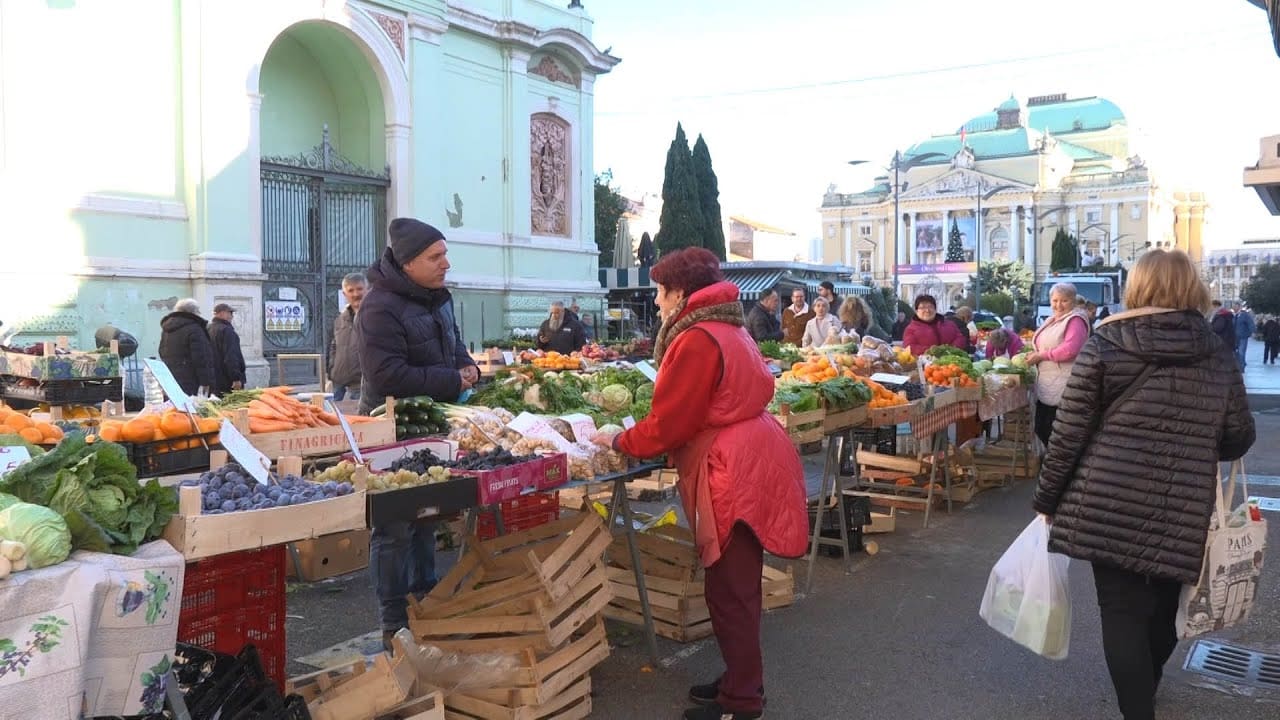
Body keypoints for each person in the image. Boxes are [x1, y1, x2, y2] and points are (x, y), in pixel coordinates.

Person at [1034, 250, 1254, 720]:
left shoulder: (1105, 341)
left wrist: (1046, 501)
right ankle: (1146, 683)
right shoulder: (1215, 349)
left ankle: (1138, 704)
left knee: (1121, 610)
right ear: (1191, 288)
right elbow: (1238, 437)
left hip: (1107, 499)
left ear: (1137, 286)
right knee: (1166, 608)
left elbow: (1069, 432)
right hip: (1183, 502)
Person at [591, 247, 807, 720]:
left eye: (660, 291)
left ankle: (743, 701)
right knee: (734, 585)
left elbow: (672, 424)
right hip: (751, 457)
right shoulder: (728, 327)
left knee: (731, 591)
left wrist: (620, 438)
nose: (657, 300)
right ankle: (738, 680)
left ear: (680, 292)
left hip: (730, 469)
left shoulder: (696, 339)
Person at [356, 218, 479, 650]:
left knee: (427, 516)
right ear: (408, 263)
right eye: (436, 257)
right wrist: (452, 379)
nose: (446, 263)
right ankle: (393, 620)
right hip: (388, 429)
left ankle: (426, 600)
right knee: (393, 528)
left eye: (444, 254)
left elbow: (456, 349)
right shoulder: (379, 307)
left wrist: (470, 369)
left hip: (431, 427)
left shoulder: (438, 300)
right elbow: (386, 375)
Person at [1026, 283, 1091, 450]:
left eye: (1064, 300)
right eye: (1055, 300)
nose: (1058, 305)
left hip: (1064, 384)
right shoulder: (1052, 320)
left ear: (1073, 301)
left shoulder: (1075, 320)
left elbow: (1071, 349)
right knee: (1043, 428)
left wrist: (1042, 355)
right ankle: (1056, 464)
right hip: (1047, 383)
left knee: (1058, 433)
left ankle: (1061, 467)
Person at [158, 298, 215, 396]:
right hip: (191, 379)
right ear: (193, 312)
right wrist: (206, 381)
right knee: (192, 408)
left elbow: (161, 351)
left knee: (175, 409)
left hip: (171, 377)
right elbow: (201, 357)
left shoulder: (167, 328)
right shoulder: (195, 328)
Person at [329, 273, 367, 402]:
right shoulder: (340, 319)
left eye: (359, 289)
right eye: (351, 290)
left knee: (359, 420)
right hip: (338, 382)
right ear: (345, 295)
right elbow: (333, 346)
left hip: (361, 384)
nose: (356, 294)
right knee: (333, 418)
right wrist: (330, 371)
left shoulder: (375, 316)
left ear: (367, 290)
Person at [900, 294, 967, 357]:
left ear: (935, 309)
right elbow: (909, 347)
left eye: (930, 306)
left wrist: (950, 350)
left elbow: (960, 338)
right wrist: (933, 351)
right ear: (917, 311)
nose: (927, 310)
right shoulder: (911, 329)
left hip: (951, 364)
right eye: (922, 307)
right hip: (926, 366)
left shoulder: (950, 324)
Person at [207, 303, 246, 396]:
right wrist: (236, 378)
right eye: (230, 313)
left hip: (212, 380)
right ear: (221, 313)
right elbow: (231, 357)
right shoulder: (227, 331)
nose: (232, 316)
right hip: (227, 381)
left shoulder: (208, 328)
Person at [1233, 301, 1256, 368]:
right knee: (1236, 352)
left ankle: (1241, 367)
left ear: (1239, 307)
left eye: (1235, 306)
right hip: (1235, 337)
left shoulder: (1245, 315)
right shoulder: (1234, 316)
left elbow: (1250, 324)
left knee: (1241, 352)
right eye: (1233, 306)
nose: (1234, 308)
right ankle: (1240, 364)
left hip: (1243, 336)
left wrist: (1252, 332)